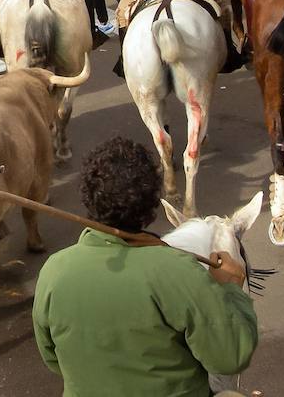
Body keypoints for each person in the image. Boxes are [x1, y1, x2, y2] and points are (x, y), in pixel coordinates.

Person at [33, 136, 257, 397]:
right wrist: (230, 291)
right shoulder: (179, 271)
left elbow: (53, 359)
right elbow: (230, 357)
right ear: (151, 206)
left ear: (88, 199)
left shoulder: (54, 271)